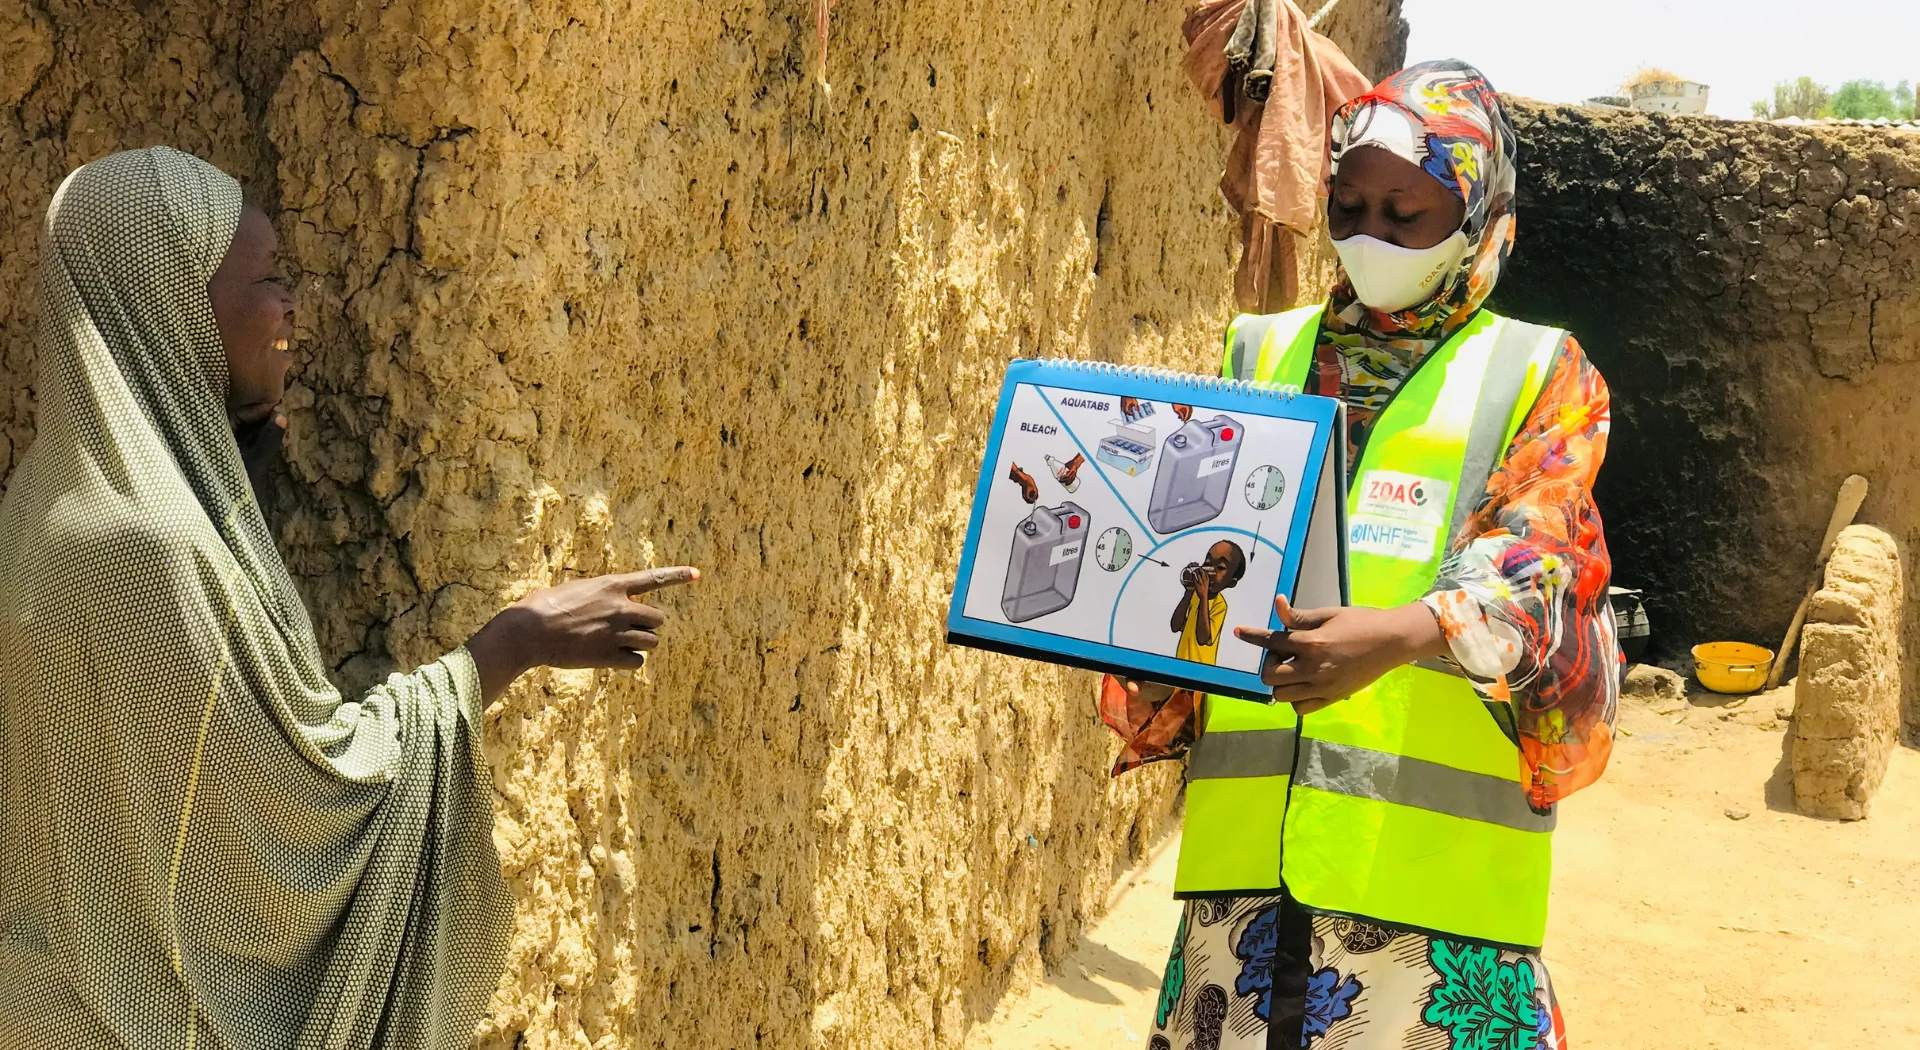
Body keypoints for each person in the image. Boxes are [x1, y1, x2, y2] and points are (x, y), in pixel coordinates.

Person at [0, 146, 698, 1050]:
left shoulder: (45, 502)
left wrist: (236, 481)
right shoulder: (153, 549)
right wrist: (514, 644)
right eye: (268, 278)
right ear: (176, 305)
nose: (292, 307)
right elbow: (302, 804)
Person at [1102, 62, 1619, 1049]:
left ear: (1478, 212)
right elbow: (1204, 552)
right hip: (1249, 899)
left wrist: (1408, 631)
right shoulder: (1261, 352)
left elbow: (1544, 567)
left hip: (1434, 917)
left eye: (1406, 213)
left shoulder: (1537, 375)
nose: (1370, 236)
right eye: (1348, 207)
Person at [1172, 539, 1248, 665]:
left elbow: (1203, 638)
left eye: (1220, 567)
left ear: (1231, 582)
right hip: (1180, 664)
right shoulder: (1195, 595)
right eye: (1207, 563)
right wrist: (1189, 592)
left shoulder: (1220, 605)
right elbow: (1175, 626)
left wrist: (1203, 597)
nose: (1209, 571)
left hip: (1201, 670)